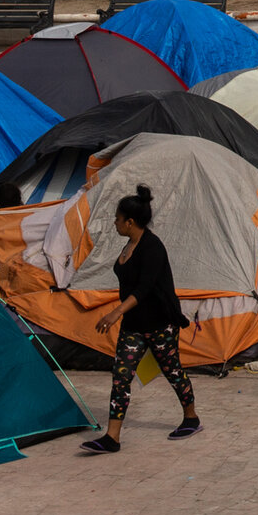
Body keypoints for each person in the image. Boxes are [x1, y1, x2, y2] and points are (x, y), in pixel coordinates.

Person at [79, 186, 200, 453]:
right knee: (121, 376)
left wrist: (115, 312)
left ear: (130, 222)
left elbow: (143, 289)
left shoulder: (152, 247)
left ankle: (191, 416)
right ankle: (112, 437)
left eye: (118, 219)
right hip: (134, 326)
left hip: (160, 324)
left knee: (172, 371)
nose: (115, 223)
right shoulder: (129, 245)